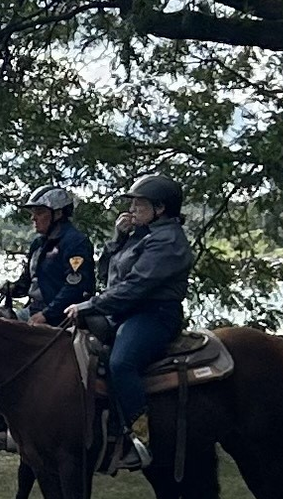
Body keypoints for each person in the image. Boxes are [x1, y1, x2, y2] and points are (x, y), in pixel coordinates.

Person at [71, 172, 195, 472]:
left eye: (140, 203)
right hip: (126, 312)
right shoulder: (143, 235)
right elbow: (107, 275)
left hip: (154, 315)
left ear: (160, 208)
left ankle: (138, 437)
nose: (133, 209)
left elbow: (137, 286)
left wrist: (89, 305)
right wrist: (119, 237)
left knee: (122, 363)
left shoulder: (168, 242)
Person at [21, 183, 97, 322]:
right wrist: (11, 288)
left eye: (39, 212)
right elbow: (26, 283)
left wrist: (46, 314)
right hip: (33, 309)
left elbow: (75, 286)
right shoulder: (38, 244)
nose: (33, 218)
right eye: (32, 213)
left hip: (62, 317)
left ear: (58, 213)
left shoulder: (76, 243)